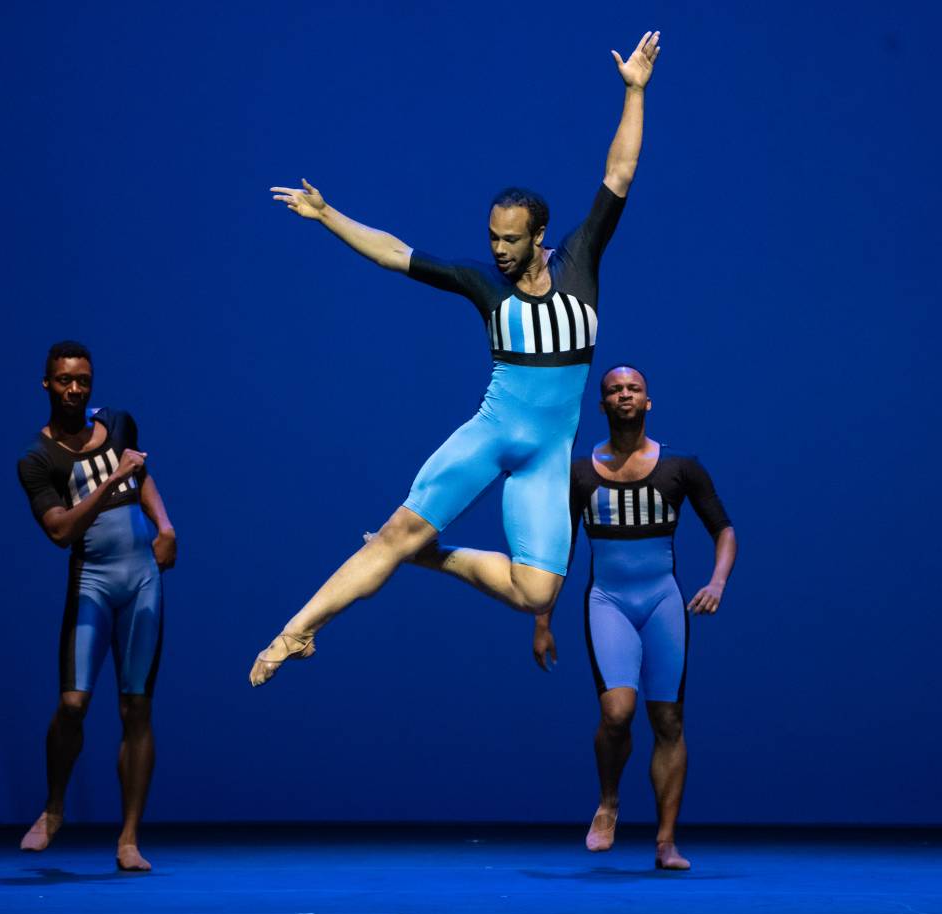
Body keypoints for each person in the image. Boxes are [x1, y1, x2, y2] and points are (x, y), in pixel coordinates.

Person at [249, 31, 663, 686]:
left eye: (511, 239)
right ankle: (295, 633)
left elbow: (618, 174)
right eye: (492, 237)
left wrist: (634, 93)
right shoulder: (483, 284)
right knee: (394, 531)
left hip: (546, 457)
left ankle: (428, 558)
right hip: (491, 435)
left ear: (538, 237)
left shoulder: (580, 263)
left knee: (537, 594)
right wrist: (329, 216)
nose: (498, 250)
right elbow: (396, 252)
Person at [534, 365, 737, 870]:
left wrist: (716, 582)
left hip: (663, 602)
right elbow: (558, 550)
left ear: (648, 402)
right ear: (602, 405)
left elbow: (725, 530)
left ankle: (666, 842)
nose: (624, 394)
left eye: (633, 389)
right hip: (609, 602)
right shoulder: (579, 473)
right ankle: (609, 802)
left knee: (668, 719)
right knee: (618, 713)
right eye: (614, 390)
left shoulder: (681, 468)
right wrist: (542, 619)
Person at [14, 341, 177, 872]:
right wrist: (112, 479)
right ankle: (54, 808)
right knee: (73, 705)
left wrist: (166, 526)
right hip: (93, 583)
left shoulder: (120, 422)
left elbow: (142, 475)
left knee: (136, 709)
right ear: (47, 384)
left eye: (82, 379)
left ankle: (128, 838)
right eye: (64, 380)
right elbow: (60, 530)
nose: (75, 389)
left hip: (143, 582)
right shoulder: (38, 460)